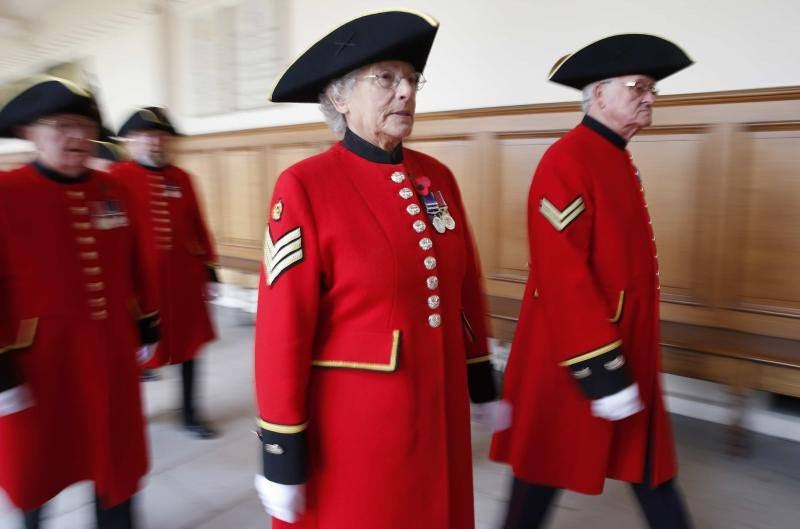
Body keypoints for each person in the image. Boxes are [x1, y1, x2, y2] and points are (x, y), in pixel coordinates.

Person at [253, 9, 505, 528]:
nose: (406, 93)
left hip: (438, 407)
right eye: (386, 79)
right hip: (359, 425)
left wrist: (479, 377)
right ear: (339, 98)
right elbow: (282, 327)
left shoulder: (437, 177)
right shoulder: (304, 186)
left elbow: (464, 287)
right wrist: (280, 446)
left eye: (411, 79)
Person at [489, 34, 695, 529]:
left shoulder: (613, 154)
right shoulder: (569, 158)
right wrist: (601, 368)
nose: (649, 98)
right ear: (599, 93)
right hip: (577, 355)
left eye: (653, 90)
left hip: (624, 347)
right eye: (638, 87)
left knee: (648, 465)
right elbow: (562, 272)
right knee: (541, 471)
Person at [0, 77, 160, 529]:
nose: (76, 137)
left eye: (84, 126)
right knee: (36, 465)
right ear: (30, 133)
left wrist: (147, 323)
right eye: (61, 125)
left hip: (109, 354)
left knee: (116, 457)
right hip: (35, 362)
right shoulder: (6, 193)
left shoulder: (115, 191)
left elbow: (135, 263)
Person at [111, 107, 220, 439]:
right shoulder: (115, 179)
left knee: (190, 348)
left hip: (184, 282)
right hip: (140, 285)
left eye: (160, 136)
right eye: (145, 137)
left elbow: (198, 225)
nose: (154, 143)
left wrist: (210, 271)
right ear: (130, 142)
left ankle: (190, 412)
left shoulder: (183, 179)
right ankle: (130, 417)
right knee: (132, 353)